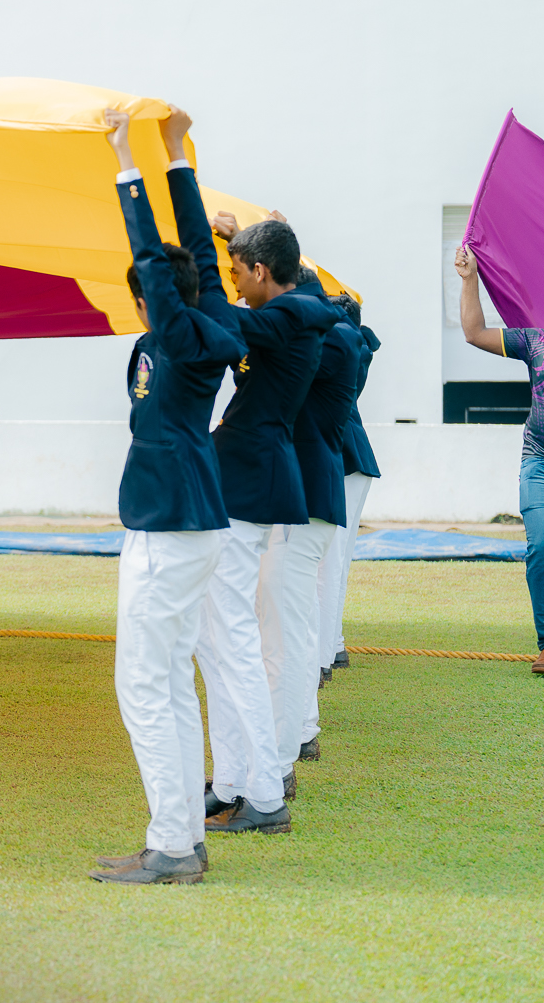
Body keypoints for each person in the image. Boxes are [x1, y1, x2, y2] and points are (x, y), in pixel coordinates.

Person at [87, 109, 244, 887]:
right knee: (171, 683)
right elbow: (194, 262)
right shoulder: (208, 321)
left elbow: (157, 259)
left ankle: (173, 846)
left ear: (157, 303)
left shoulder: (182, 335)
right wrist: (178, 153)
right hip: (188, 522)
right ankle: (179, 837)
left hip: (167, 527)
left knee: (145, 686)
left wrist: (126, 158)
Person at [186, 189, 337, 835]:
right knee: (217, 637)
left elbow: (218, 312)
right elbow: (268, 284)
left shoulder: (290, 316)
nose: (233, 283)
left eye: (238, 271)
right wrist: (235, 241)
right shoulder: (297, 306)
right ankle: (233, 781)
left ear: (260, 271)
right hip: (244, 473)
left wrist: (203, 243)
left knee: (233, 641)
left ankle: (264, 793)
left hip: (250, 478)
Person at [455, 248, 544, 676]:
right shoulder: (535, 343)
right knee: (543, 547)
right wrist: (469, 279)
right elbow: (474, 333)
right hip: (542, 464)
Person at [268, 266, 359, 774]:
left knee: (288, 627)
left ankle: (290, 746)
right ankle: (301, 731)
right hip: (301, 493)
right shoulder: (326, 336)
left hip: (306, 497)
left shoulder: (335, 339)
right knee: (293, 622)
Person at [319, 299, 381, 680]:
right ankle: (333, 645)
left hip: (343, 459)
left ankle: (323, 655)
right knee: (335, 562)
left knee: (329, 563)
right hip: (353, 459)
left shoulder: (343, 348)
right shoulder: (356, 348)